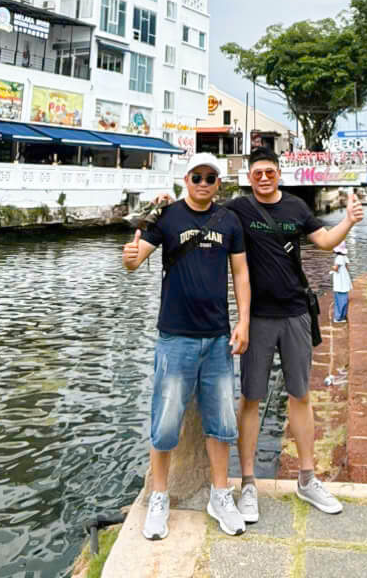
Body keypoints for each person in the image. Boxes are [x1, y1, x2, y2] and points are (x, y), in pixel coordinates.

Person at [227, 148, 364, 525]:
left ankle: (307, 477)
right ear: (249, 177)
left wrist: (349, 220)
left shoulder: (296, 207)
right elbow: (205, 220)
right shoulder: (238, 209)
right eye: (257, 173)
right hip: (256, 318)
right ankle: (249, 483)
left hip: (295, 313)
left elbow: (324, 242)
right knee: (250, 397)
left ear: (279, 173)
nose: (264, 178)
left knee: (300, 395)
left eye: (269, 172)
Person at [122, 153, 251, 542]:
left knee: (222, 422)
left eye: (211, 178)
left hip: (217, 337)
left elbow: (240, 272)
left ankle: (220, 495)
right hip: (175, 336)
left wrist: (243, 321)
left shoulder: (229, 221)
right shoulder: (168, 216)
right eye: (197, 176)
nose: (203, 183)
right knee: (165, 422)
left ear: (218, 183)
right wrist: (130, 258)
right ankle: (159, 497)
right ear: (186, 179)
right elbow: (137, 259)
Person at [331, 242, 352, 323]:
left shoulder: (338, 258)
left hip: (340, 281)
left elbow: (336, 268)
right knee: (344, 299)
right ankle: (342, 316)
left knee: (338, 299)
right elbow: (347, 268)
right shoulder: (344, 257)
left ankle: (338, 318)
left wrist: (332, 268)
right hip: (345, 280)